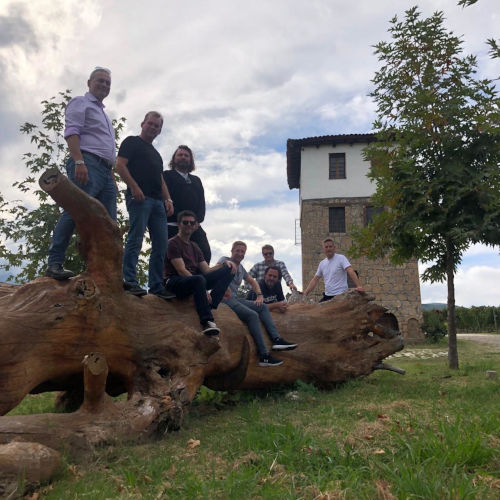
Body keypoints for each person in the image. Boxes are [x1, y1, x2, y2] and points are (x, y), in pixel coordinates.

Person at [45, 67, 117, 280]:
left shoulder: (104, 114)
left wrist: (110, 173)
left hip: (105, 171)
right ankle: (55, 263)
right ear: (89, 83)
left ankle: (107, 273)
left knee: (108, 223)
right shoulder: (80, 103)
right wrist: (79, 161)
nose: (104, 85)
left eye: (107, 83)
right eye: (100, 81)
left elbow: (106, 147)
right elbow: (72, 132)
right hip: (87, 163)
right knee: (75, 211)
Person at [116, 111, 175, 299]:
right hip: (139, 199)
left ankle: (156, 285)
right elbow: (120, 165)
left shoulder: (156, 155)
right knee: (136, 238)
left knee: (161, 244)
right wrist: (134, 187)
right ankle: (130, 281)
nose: (153, 128)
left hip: (158, 203)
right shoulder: (132, 142)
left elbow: (160, 179)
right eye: (151, 124)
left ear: (160, 131)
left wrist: (169, 199)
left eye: (157, 126)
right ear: (143, 124)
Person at [218, 241, 297, 367]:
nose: (239, 253)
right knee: (252, 315)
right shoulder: (224, 260)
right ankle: (264, 355)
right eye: (237, 250)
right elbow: (216, 268)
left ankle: (277, 340)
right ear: (232, 251)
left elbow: (252, 282)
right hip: (223, 299)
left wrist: (260, 296)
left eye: (242, 251)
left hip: (235, 298)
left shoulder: (241, 268)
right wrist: (224, 266)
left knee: (263, 306)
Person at [164, 211, 236, 335]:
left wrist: (224, 264)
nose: (188, 225)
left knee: (230, 270)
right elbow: (181, 270)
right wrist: (203, 290)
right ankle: (207, 321)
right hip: (174, 282)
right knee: (199, 279)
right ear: (179, 225)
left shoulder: (194, 246)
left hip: (194, 281)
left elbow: (206, 270)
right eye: (185, 222)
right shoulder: (173, 243)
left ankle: (212, 304)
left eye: (192, 223)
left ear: (196, 226)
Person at [163, 145, 211, 263]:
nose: (183, 157)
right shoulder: (166, 176)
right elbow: (164, 198)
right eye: (180, 155)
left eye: (186, 155)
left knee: (204, 252)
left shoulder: (196, 180)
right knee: (173, 256)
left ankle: (200, 280)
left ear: (190, 160)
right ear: (174, 159)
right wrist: (179, 218)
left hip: (194, 225)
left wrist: (196, 220)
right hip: (173, 224)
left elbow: (201, 203)